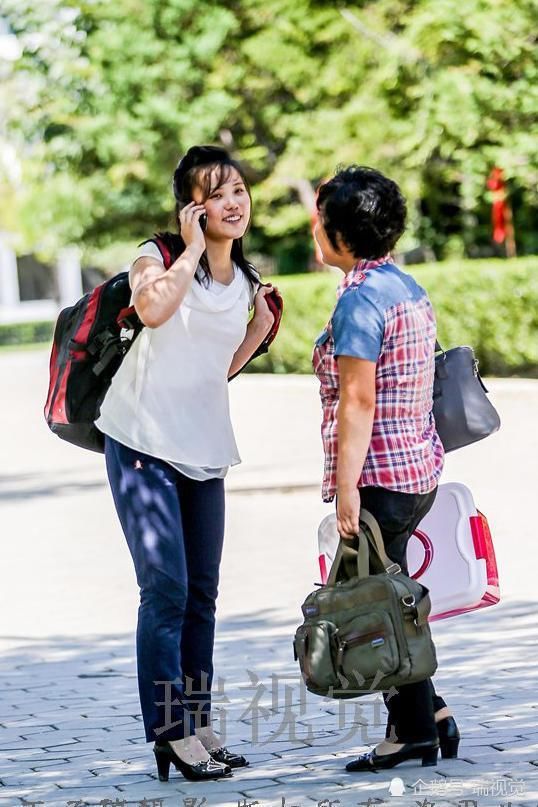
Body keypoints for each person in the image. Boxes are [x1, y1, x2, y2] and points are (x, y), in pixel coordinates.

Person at [95, 145, 279, 782]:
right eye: (215, 194)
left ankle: (196, 725)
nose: (233, 203)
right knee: (166, 590)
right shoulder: (156, 258)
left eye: (239, 190)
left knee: (202, 595)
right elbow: (152, 309)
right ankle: (170, 732)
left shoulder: (246, 282)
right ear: (191, 209)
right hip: (141, 443)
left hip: (202, 451)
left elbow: (214, 370)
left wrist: (258, 327)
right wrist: (192, 249)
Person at [312, 165, 460, 771]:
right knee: (391, 597)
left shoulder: (360, 300)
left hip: (380, 478)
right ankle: (432, 715)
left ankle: (413, 734)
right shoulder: (404, 285)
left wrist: (347, 489)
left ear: (342, 234)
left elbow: (358, 400)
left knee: (375, 609)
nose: (314, 231)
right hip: (417, 468)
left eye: (320, 221)